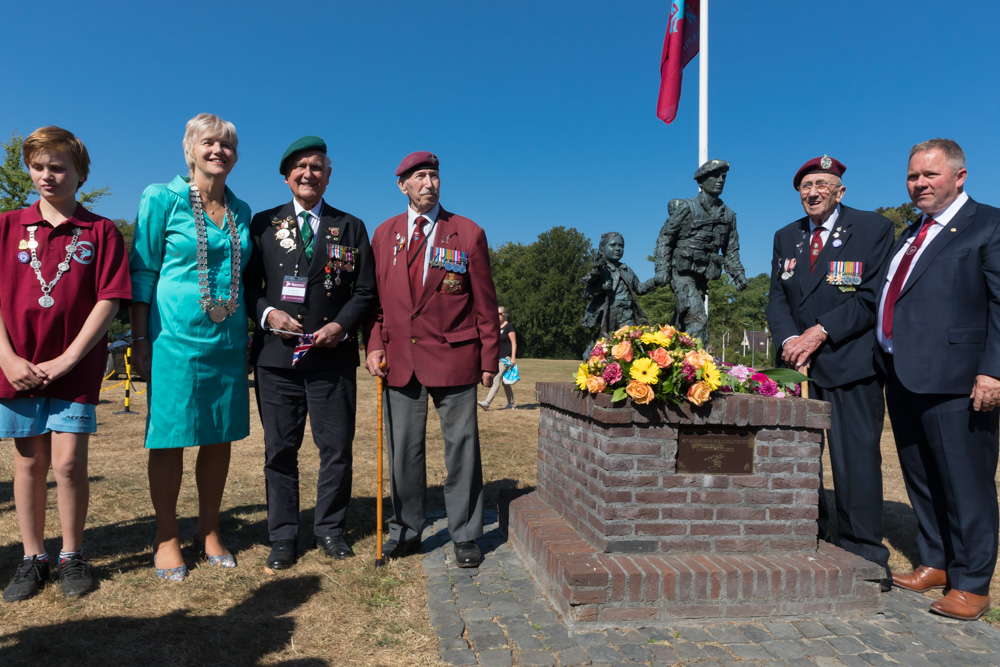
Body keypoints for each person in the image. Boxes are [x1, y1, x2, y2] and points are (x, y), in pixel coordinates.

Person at [0, 126, 131, 601]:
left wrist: (70, 357)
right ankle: (32, 557)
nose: (47, 176)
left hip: (74, 367)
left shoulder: (100, 231)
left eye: (58, 167)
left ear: (80, 173)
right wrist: (8, 357)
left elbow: (110, 298)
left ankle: (72, 555)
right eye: (38, 166)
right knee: (29, 462)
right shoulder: (7, 226)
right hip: (16, 366)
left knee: (70, 463)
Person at [878, 138, 1000, 620]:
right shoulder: (913, 231)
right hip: (904, 375)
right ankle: (936, 560)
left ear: (959, 176)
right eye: (913, 176)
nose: (919, 184)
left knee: (965, 483)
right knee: (922, 475)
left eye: (929, 175)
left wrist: (993, 369)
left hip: (959, 380)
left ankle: (973, 581)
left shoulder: (988, 225)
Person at [244, 136, 376, 569]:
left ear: (329, 174)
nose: (308, 174)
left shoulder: (351, 226)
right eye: (300, 167)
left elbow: (365, 291)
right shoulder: (262, 224)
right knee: (279, 450)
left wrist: (342, 325)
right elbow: (246, 288)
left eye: (317, 166)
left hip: (332, 358)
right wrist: (267, 316)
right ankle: (283, 535)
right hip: (276, 360)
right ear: (286, 177)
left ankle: (330, 529)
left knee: (336, 447)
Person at [129, 113, 251, 581]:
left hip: (227, 339)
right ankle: (165, 535)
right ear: (189, 150)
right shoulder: (161, 197)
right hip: (173, 339)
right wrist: (140, 337)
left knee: (219, 435)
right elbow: (142, 271)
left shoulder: (241, 210)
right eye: (208, 143)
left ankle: (209, 530)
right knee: (171, 438)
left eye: (227, 145)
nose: (218, 151)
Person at [766, 155, 894, 591]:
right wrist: (789, 343)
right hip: (796, 367)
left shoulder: (873, 228)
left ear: (840, 190)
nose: (812, 191)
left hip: (850, 363)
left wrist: (818, 334)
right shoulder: (787, 236)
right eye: (805, 185)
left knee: (855, 460)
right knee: (799, 457)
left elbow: (872, 295)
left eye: (821, 184)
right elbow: (776, 299)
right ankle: (810, 534)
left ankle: (864, 555)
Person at [365, 151, 500, 568]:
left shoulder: (467, 232)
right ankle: (405, 529)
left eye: (434, 175)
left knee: (461, 448)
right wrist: (373, 343)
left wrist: (490, 357)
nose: (429, 183)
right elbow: (375, 302)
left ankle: (464, 533)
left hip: (455, 356)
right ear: (402, 185)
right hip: (399, 358)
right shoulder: (384, 234)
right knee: (403, 450)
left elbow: (485, 301)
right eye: (420, 176)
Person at [652, 159, 747, 344]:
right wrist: (661, 269)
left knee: (681, 321)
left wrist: (738, 274)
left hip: (703, 277)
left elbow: (731, 249)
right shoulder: (688, 208)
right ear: (701, 182)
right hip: (682, 274)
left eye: (723, 177)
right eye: (715, 176)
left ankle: (664, 355)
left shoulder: (728, 216)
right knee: (697, 318)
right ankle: (695, 368)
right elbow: (666, 237)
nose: (720, 180)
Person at [581, 232, 651, 336]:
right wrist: (601, 288)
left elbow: (639, 288)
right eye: (613, 245)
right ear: (602, 249)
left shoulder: (627, 270)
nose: (618, 249)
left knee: (629, 343)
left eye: (621, 246)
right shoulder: (600, 271)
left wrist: (655, 281)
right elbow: (586, 294)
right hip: (609, 314)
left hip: (627, 314)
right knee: (603, 344)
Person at [479, 306, 516, 410]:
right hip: (497, 359)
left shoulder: (508, 326)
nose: (498, 316)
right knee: (505, 382)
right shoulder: (496, 327)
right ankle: (511, 403)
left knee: (497, 378)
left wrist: (512, 358)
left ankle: (487, 403)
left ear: (504, 314)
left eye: (500, 314)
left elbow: (514, 343)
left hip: (506, 358)